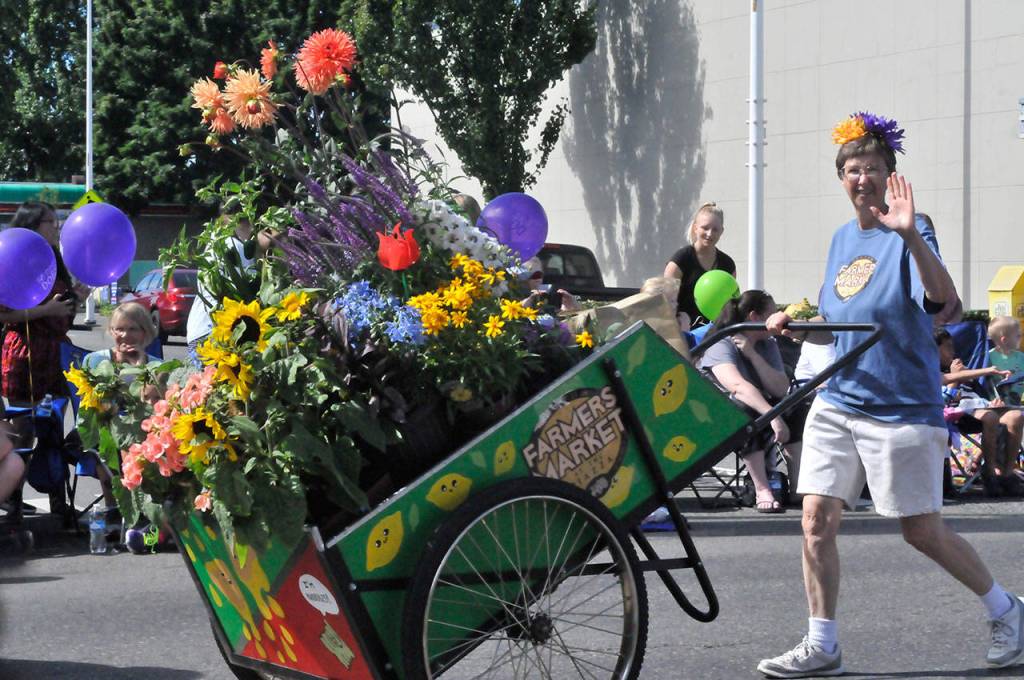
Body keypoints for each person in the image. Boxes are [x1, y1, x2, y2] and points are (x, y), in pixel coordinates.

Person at [760, 112, 1023, 677]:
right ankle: (822, 643)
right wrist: (794, 324)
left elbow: (942, 303)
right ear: (841, 179)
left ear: (891, 175)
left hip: (900, 405)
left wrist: (907, 234)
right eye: (852, 170)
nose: (862, 178)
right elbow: (840, 324)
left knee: (919, 529)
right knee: (815, 520)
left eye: (873, 169)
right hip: (842, 399)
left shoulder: (912, 230)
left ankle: (1007, 610)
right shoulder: (839, 240)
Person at [699, 290, 801, 512]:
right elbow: (737, 387)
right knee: (746, 411)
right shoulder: (721, 343)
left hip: (760, 404)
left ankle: (796, 487)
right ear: (754, 317)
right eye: (772, 313)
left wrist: (752, 354)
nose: (777, 318)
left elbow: (780, 388)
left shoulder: (767, 343)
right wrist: (773, 417)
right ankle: (762, 488)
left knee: (796, 407)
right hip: (718, 414)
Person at [0, 202, 85, 404]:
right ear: (32, 225)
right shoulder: (14, 259)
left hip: (58, 356)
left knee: (53, 427)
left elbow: (61, 315)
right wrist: (45, 310)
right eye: (51, 222)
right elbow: (3, 313)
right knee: (23, 430)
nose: (57, 227)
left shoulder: (53, 258)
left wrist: (77, 300)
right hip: (26, 356)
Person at [936, 327, 1023, 497]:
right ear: (934, 350)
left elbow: (977, 394)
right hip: (956, 414)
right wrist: (957, 377)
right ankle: (989, 473)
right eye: (947, 347)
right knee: (989, 417)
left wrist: (993, 402)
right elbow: (943, 401)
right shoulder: (932, 370)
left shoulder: (964, 369)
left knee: (1016, 417)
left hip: (980, 406)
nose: (953, 351)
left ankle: (1006, 474)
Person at [185, 209, 270, 370]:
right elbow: (247, 295)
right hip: (216, 333)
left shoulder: (216, 242)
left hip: (200, 330)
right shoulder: (234, 247)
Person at [663, 202, 736, 331]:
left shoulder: (728, 264)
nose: (710, 234)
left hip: (716, 334)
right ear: (695, 228)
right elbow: (665, 303)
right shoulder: (680, 260)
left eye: (715, 229)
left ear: (722, 231)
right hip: (682, 333)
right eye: (705, 228)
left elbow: (730, 304)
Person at [989, 315, 1024, 405]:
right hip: (996, 403)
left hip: (1016, 402)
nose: (1021, 338)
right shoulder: (989, 357)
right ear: (1004, 340)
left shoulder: (1021, 357)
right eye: (1018, 336)